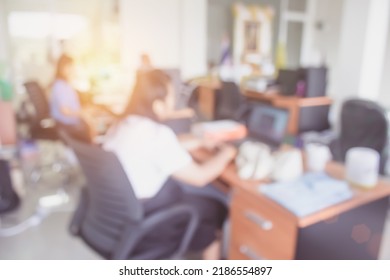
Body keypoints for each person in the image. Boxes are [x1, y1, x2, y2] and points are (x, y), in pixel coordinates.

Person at [103, 70, 236, 259]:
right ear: (158, 105)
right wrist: (227, 153)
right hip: (152, 217)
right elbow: (200, 177)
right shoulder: (156, 134)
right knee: (216, 208)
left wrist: (199, 141)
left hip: (125, 213)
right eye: (172, 96)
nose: (174, 102)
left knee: (198, 203)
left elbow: (162, 146)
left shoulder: (124, 125)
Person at [50, 54, 93, 142]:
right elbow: (65, 111)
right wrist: (83, 113)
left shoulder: (66, 84)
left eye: (73, 67)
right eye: (70, 67)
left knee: (92, 123)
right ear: (62, 68)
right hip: (67, 126)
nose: (73, 70)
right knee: (92, 127)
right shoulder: (60, 86)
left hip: (72, 122)